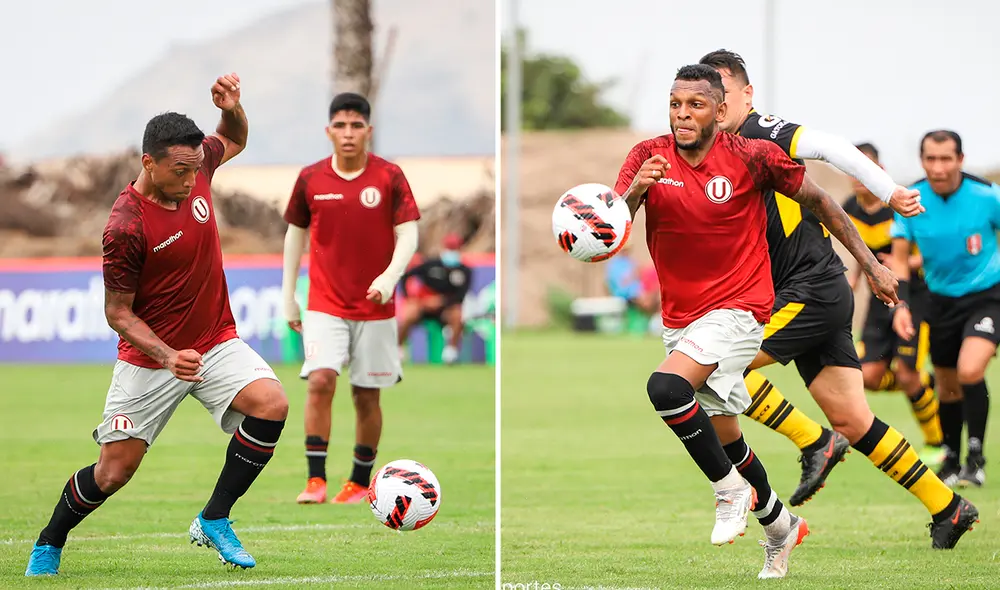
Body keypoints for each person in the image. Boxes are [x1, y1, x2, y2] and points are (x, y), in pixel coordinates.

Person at [615, 64, 897, 579]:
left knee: (665, 388)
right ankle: (781, 527)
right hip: (683, 316)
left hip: (741, 310)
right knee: (726, 437)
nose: (682, 115)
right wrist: (634, 190)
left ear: (721, 112)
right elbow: (608, 237)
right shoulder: (646, 157)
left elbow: (823, 203)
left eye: (695, 105)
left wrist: (873, 264)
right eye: (675, 104)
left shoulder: (753, 156)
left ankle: (728, 493)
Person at [698, 50, 977, 550]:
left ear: (746, 95)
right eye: (705, 93)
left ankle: (814, 441)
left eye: (722, 91)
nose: (714, 103)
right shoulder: (712, 151)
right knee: (854, 418)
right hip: (809, 290)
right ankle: (949, 507)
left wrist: (888, 191)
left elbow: (830, 146)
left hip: (808, 290)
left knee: (715, 369)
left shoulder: (762, 131)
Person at [25, 74, 289, 577]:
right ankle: (50, 539)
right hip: (151, 359)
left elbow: (234, 137)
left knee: (272, 404)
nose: (191, 181)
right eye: (179, 172)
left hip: (214, 341)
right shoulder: (125, 226)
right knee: (113, 472)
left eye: (196, 170)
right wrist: (169, 356)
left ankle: (215, 518)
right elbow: (117, 313)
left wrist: (232, 108)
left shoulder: (198, 161)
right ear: (149, 162)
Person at [282, 92, 420, 505]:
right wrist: (289, 294)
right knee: (321, 380)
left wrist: (391, 276)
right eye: (340, 126)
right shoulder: (310, 178)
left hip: (376, 308)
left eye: (356, 125)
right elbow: (295, 233)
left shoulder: (389, 176)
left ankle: (359, 482)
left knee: (366, 394)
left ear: (368, 131)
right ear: (328, 131)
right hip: (325, 304)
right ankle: (315, 480)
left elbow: (409, 231)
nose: (347, 133)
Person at [892, 130, 1000, 488]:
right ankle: (951, 459)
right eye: (931, 159)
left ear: (960, 160)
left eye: (946, 159)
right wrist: (901, 305)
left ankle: (976, 458)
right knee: (947, 386)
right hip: (939, 300)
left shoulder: (987, 196)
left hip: (987, 296)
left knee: (970, 371)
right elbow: (900, 259)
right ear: (923, 161)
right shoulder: (910, 199)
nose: (938, 167)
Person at [843, 142, 945, 468]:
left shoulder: (899, 204)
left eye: (866, 169)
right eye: (854, 170)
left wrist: (903, 263)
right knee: (869, 377)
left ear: (880, 172)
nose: (860, 178)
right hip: (878, 301)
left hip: (912, 297)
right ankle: (924, 385)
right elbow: (860, 248)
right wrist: (856, 276)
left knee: (906, 373)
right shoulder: (849, 207)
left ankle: (936, 443)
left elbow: (929, 252)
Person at [398, 232, 473, 364]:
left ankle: (451, 353)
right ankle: (398, 348)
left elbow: (461, 295)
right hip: (424, 305)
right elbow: (406, 276)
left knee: (457, 315)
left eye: (454, 249)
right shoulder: (431, 265)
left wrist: (442, 301)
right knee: (409, 313)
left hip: (445, 308)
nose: (452, 252)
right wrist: (409, 297)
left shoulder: (464, 271)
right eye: (450, 248)